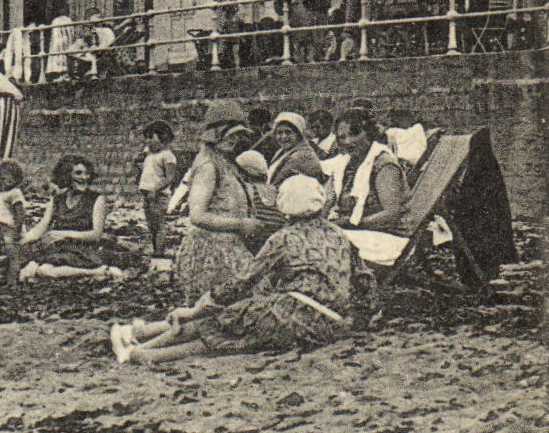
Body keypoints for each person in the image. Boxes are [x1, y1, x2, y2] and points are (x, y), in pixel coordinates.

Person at [111, 175, 372, 364]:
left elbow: (240, 283)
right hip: (332, 324)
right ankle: (142, 339)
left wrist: (196, 307)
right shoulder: (339, 235)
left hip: (295, 313)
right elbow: (365, 280)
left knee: (215, 324)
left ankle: (142, 352)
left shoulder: (283, 238)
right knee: (230, 330)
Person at [174, 99, 274, 302]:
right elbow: (197, 215)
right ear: (214, 134)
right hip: (212, 251)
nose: (234, 140)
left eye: (237, 135)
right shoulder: (208, 166)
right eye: (229, 134)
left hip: (229, 245)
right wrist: (240, 224)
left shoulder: (224, 161)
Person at [18, 156, 142, 281]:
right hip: (60, 248)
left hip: (83, 249)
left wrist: (63, 234)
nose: (84, 178)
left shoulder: (96, 199)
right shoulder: (57, 200)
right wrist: (21, 241)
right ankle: (96, 272)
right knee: (33, 268)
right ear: (66, 175)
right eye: (78, 173)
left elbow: (96, 234)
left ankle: (97, 271)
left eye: (87, 174)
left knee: (43, 270)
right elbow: (40, 227)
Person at [327, 108, 410, 234]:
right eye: (342, 137)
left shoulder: (384, 164)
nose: (348, 141)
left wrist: (352, 224)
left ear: (369, 133)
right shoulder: (344, 165)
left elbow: (392, 214)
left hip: (386, 234)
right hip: (355, 231)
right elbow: (327, 199)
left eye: (354, 133)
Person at [137, 120, 178, 258]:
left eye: (150, 137)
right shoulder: (149, 155)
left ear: (162, 138)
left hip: (159, 195)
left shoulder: (167, 156)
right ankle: (156, 249)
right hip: (147, 194)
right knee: (151, 224)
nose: (147, 141)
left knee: (159, 223)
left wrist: (156, 189)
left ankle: (159, 251)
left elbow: (170, 177)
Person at [0, 160, 28, 287]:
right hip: (2, 230)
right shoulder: (3, 194)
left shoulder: (14, 193)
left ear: (15, 179)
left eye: (3, 178)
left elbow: (20, 214)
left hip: (11, 230)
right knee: (4, 255)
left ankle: (12, 282)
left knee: (13, 257)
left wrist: (17, 229)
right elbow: (2, 212)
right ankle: (2, 278)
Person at [265, 112, 327, 188]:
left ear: (298, 135)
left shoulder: (302, 156)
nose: (283, 137)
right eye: (280, 133)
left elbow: (277, 185)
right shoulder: (283, 151)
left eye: (288, 132)